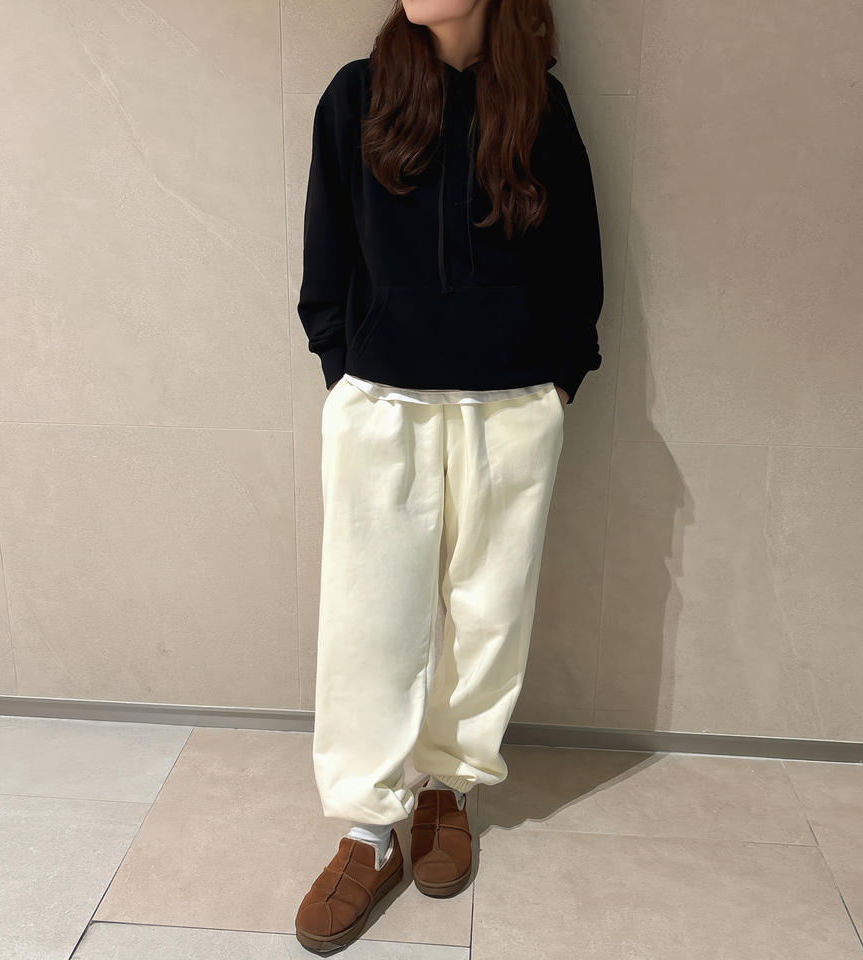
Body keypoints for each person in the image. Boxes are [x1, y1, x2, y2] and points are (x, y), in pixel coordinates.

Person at [294, 0, 603, 951]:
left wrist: (559, 379)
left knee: (489, 611)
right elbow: (325, 248)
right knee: (368, 617)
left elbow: (578, 258)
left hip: (511, 404)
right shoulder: (358, 97)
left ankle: (448, 789)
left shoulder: (538, 106)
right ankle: (367, 827)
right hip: (382, 398)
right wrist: (341, 361)